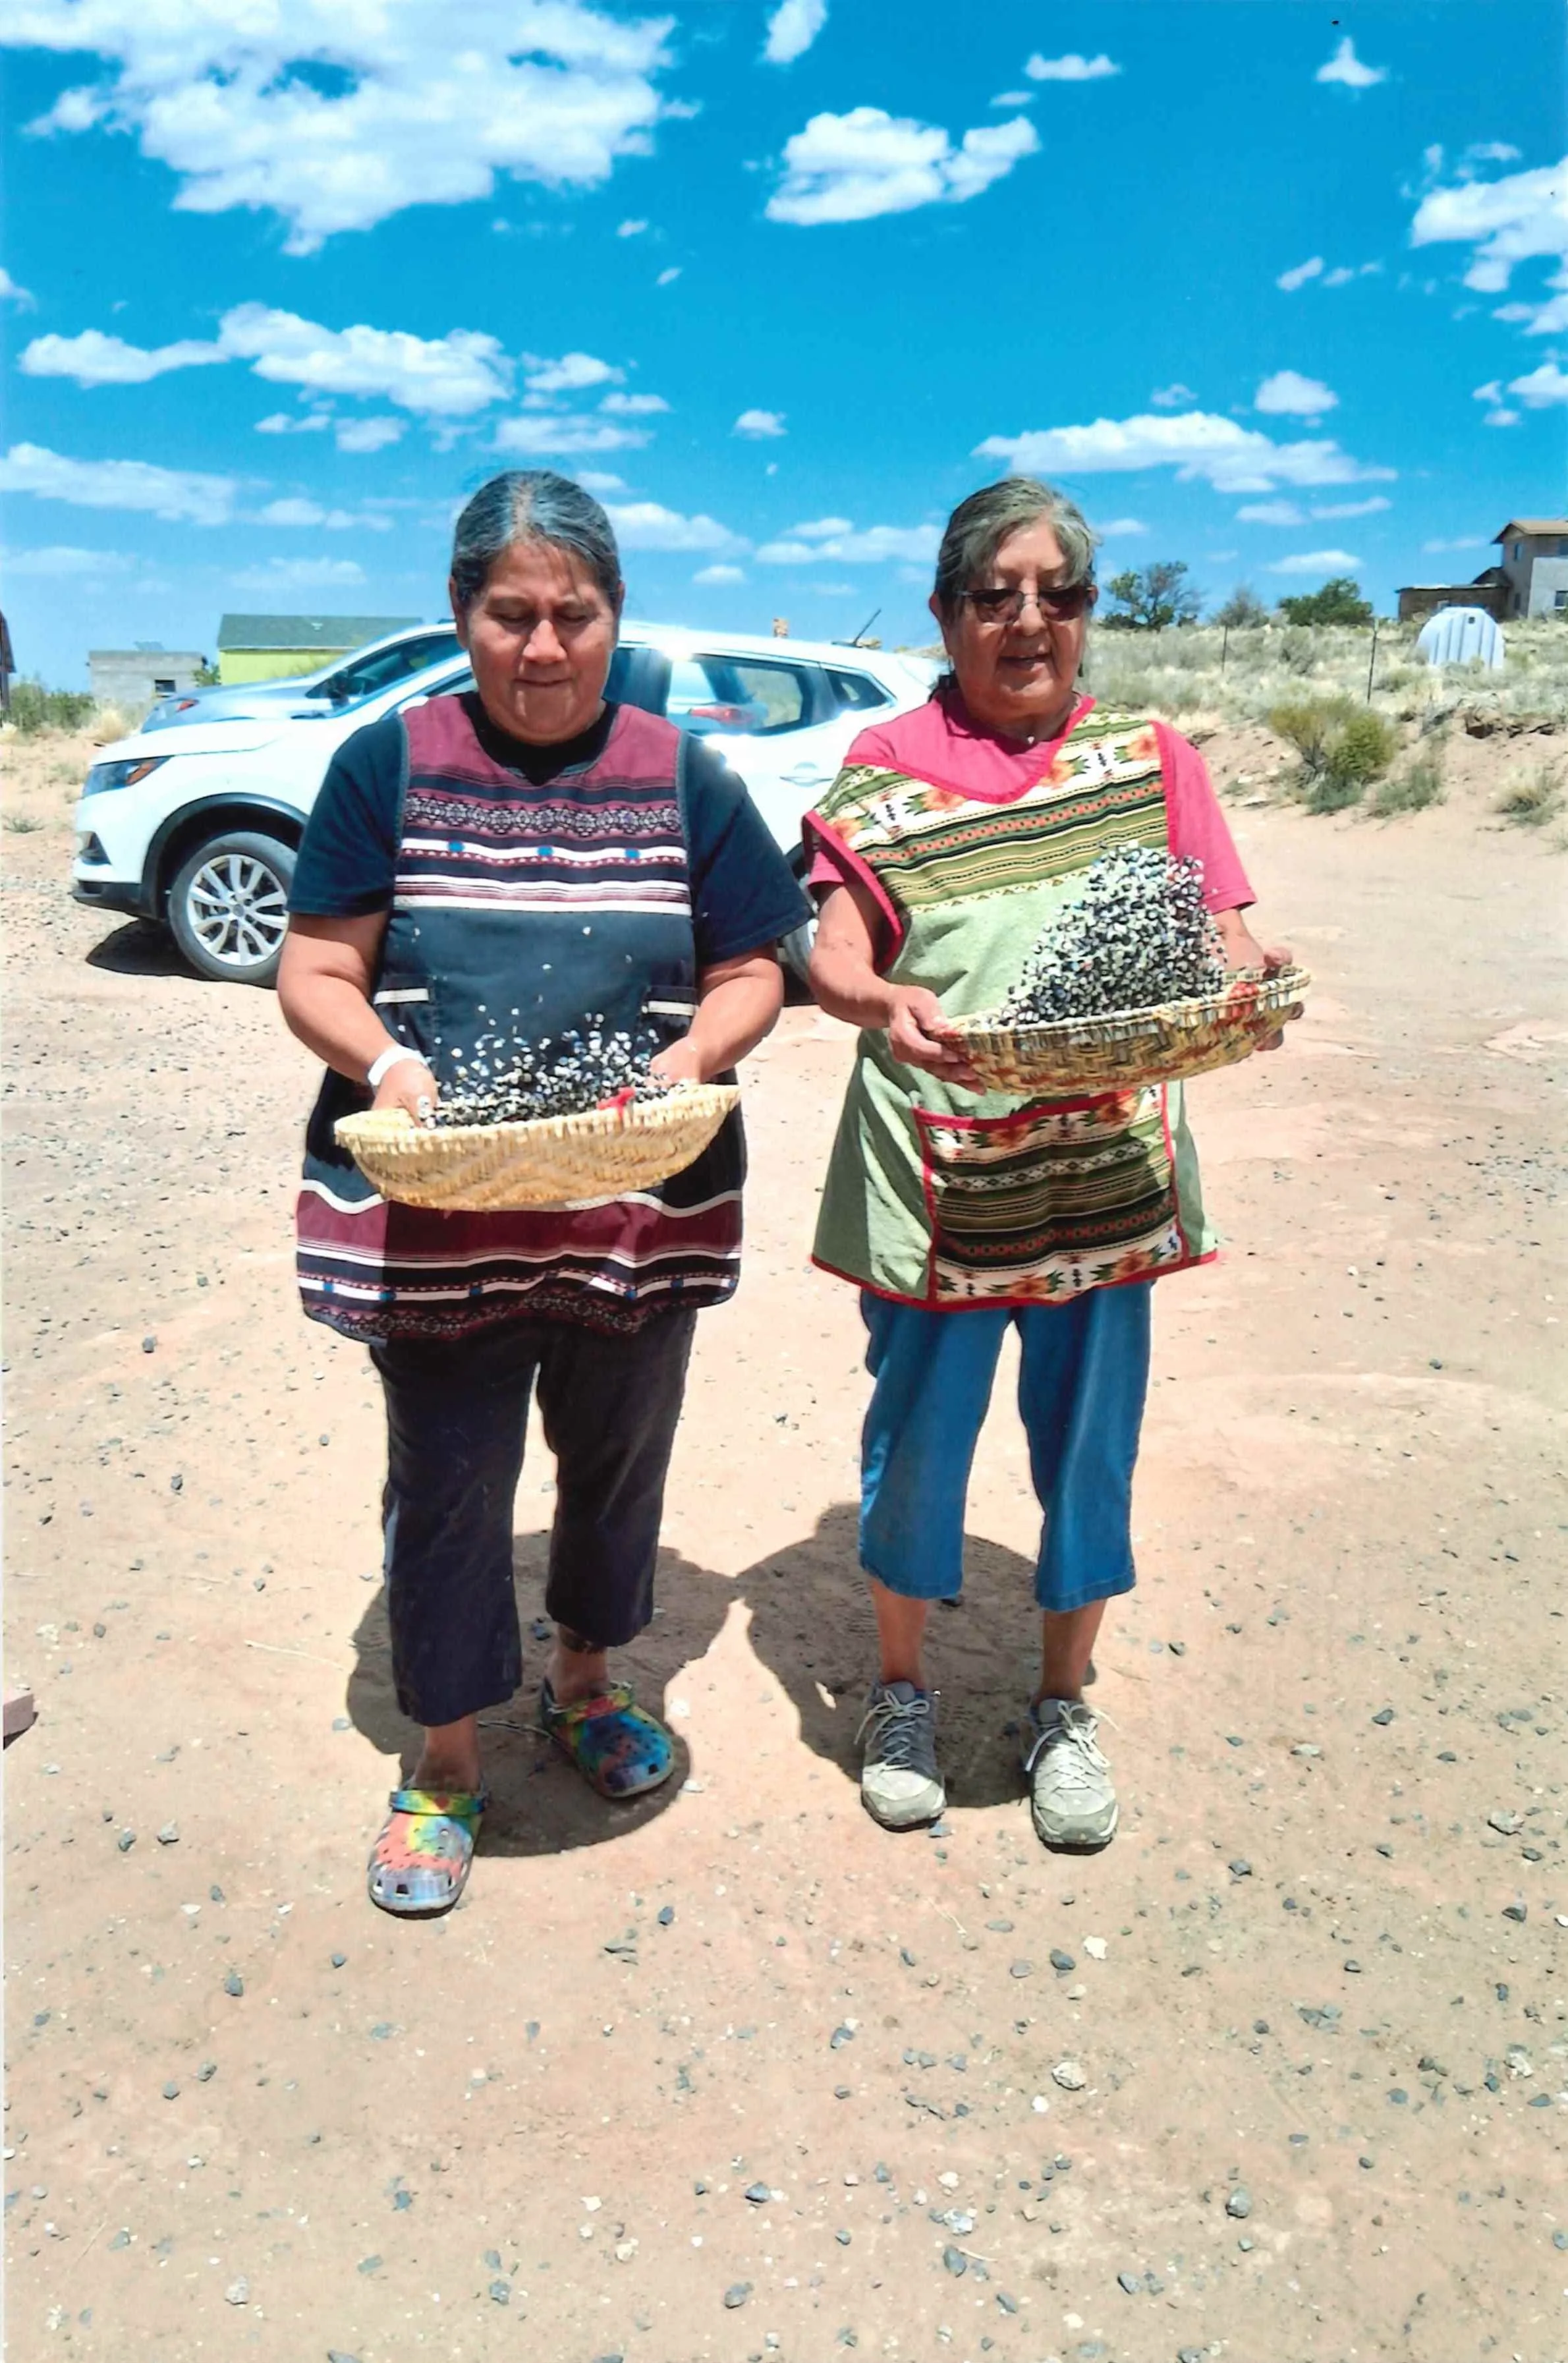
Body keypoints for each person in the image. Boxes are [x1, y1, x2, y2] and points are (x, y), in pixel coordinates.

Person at [279, 470, 808, 1916]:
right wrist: (387, 1063)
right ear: (460, 615)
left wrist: (695, 1050)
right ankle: (444, 1758)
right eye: (509, 613)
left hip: (637, 1199)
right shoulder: (384, 766)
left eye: (571, 613)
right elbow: (315, 967)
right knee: (449, 1483)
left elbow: (755, 959)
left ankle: (584, 1685)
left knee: (616, 1456)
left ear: (612, 615)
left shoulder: (684, 773)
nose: (541, 645)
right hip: (436, 1211)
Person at [804, 476, 1290, 1850]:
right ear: (945, 611)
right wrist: (868, 1000)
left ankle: (1061, 1703)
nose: (1026, 619)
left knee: (1089, 1448)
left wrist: (1246, 986)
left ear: (1086, 609)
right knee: (917, 1443)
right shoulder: (882, 769)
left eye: (1056, 593)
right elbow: (830, 943)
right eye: (993, 593)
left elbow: (1225, 929)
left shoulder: (1149, 756)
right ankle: (899, 1689)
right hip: (941, 1173)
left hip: (1103, 1175)